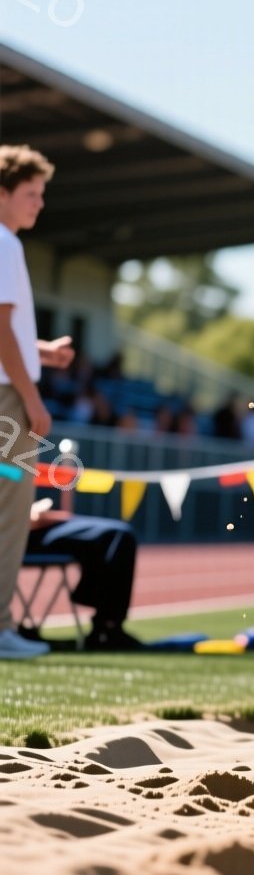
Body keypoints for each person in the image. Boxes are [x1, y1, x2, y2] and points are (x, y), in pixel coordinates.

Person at [0, 144, 73, 660]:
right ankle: (1, 627)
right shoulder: (4, 244)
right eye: (30, 193)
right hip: (8, 403)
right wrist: (33, 400)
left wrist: (40, 351)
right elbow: (0, 328)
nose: (39, 203)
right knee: (9, 507)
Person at [24, 504, 144, 651]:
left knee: (121, 534)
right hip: (21, 531)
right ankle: (107, 627)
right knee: (117, 536)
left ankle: (107, 625)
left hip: (32, 522)